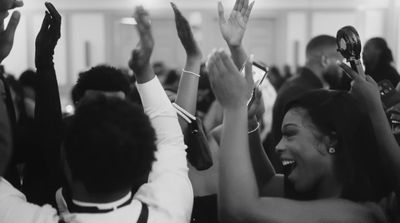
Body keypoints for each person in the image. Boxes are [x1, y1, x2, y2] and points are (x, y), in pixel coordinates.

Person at [208, 49, 392, 223]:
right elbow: (265, 184)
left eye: (290, 134)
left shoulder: (354, 214)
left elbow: (238, 211)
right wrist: (249, 122)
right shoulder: (318, 191)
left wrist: (234, 107)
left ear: (331, 140)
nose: (278, 146)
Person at [268, 34, 344, 173]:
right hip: (296, 171)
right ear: (325, 59)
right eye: (340, 60)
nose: (342, 68)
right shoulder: (302, 92)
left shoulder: (298, 84)